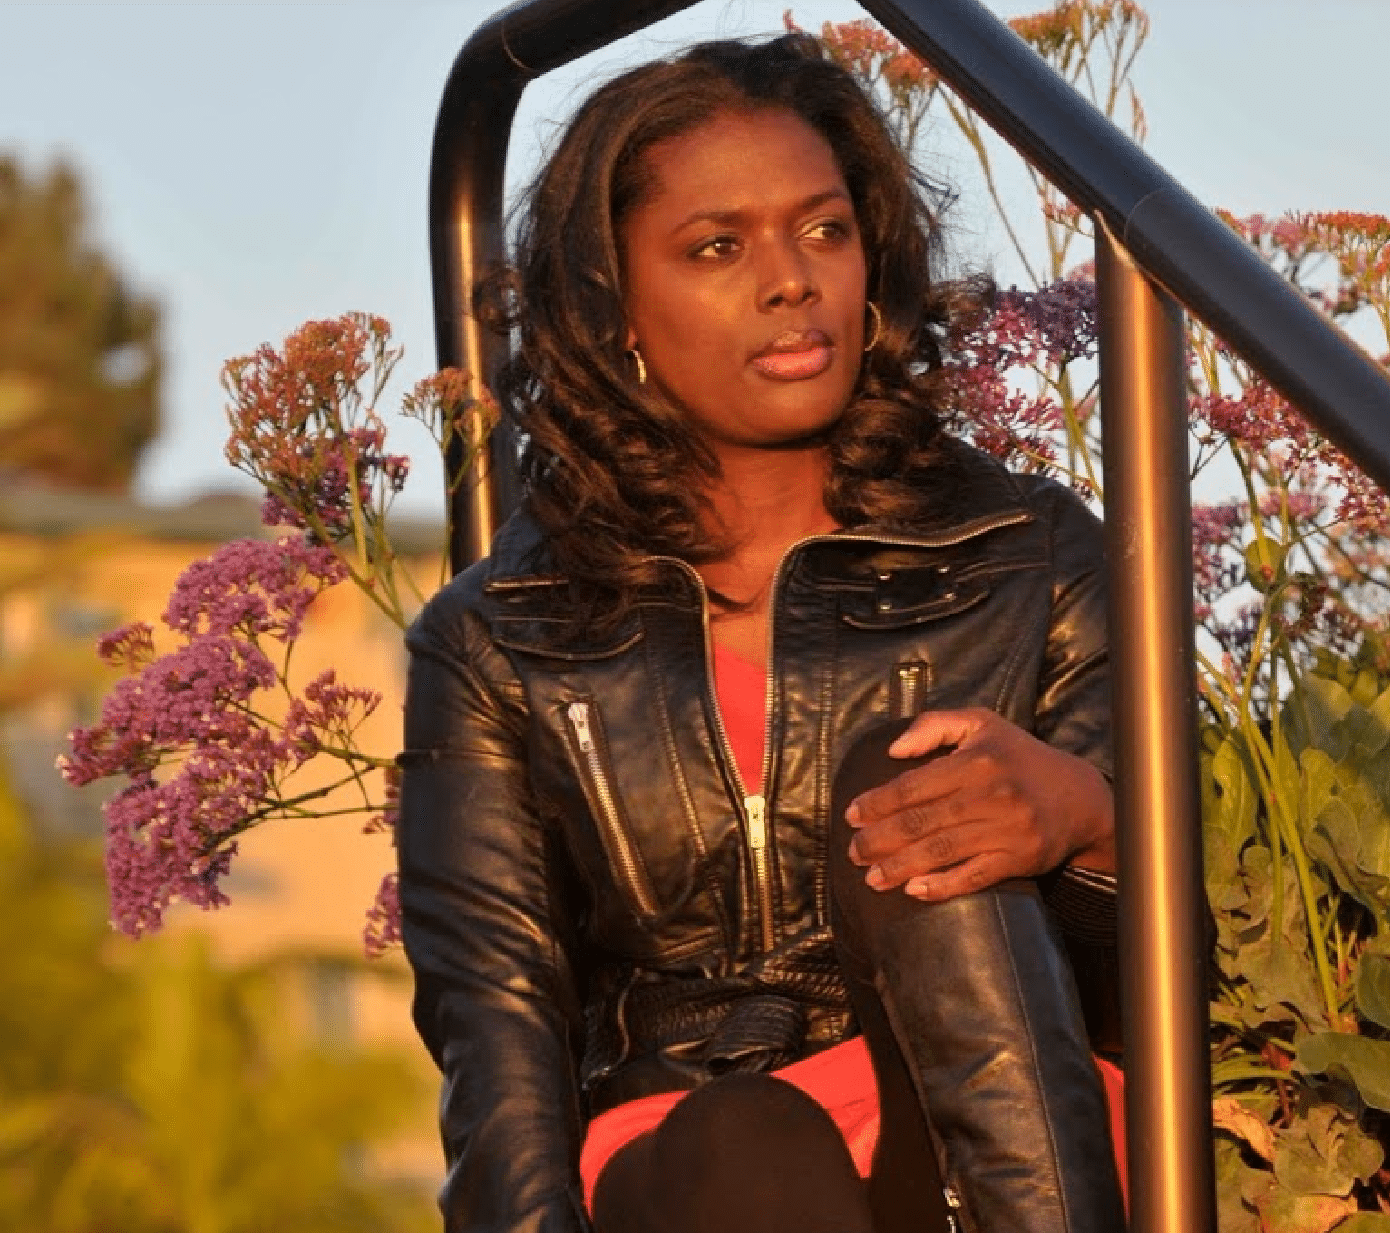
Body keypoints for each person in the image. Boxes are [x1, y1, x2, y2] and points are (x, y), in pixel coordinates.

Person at [398, 32, 1126, 1233]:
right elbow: (498, 1031)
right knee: (746, 1140)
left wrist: (1086, 822)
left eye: (824, 229)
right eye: (716, 247)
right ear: (614, 305)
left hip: (1000, 1132)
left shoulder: (1027, 549)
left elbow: (1169, 964)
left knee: (920, 782)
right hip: (687, 1155)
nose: (789, 279)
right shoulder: (500, 636)